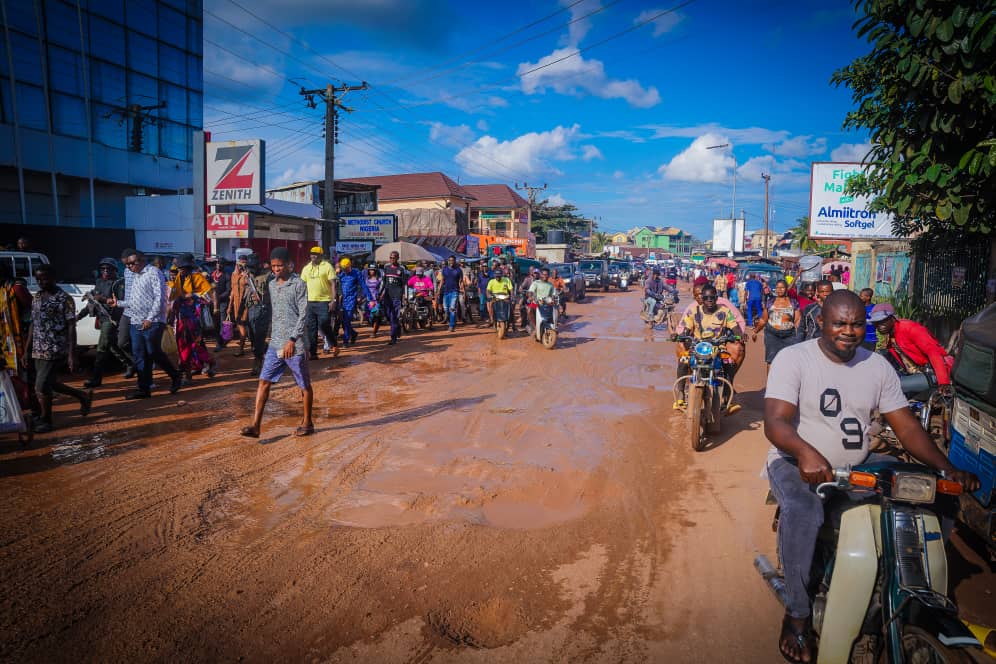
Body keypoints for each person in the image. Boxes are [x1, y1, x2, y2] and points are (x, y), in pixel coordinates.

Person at [762, 290, 979, 663]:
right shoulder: (793, 358)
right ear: (821, 323)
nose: (849, 331)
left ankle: (916, 586)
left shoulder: (877, 366)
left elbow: (908, 428)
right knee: (804, 511)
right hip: (795, 461)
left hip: (859, 464)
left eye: (857, 324)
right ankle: (797, 615)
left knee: (934, 494)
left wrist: (945, 466)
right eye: (840, 323)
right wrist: (804, 452)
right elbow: (776, 422)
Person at [240, 247, 313, 438]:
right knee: (264, 381)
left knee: (303, 384)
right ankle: (255, 425)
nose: (276, 269)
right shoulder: (272, 284)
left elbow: (303, 315)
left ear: (289, 264)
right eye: (273, 266)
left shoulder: (299, 284)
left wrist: (292, 340)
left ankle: (307, 422)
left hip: (294, 344)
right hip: (276, 342)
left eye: (280, 265)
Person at [26, 265, 92, 433]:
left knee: (41, 386)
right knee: (49, 383)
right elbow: (34, 324)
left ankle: (46, 420)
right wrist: (27, 349)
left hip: (55, 348)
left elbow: (71, 326)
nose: (41, 282)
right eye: (38, 279)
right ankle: (82, 396)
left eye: (45, 278)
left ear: (54, 277)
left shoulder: (64, 298)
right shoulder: (37, 297)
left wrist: (72, 354)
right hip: (38, 347)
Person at [116, 249, 182, 400]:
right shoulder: (134, 276)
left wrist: (150, 318)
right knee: (139, 355)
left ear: (142, 260)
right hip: (135, 321)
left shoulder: (153, 273)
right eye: (127, 265)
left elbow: (160, 298)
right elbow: (133, 301)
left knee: (153, 352)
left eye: (133, 263)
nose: (130, 267)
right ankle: (143, 389)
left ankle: (175, 375)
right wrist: (118, 303)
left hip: (153, 321)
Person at [674, 284, 744, 412]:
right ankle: (680, 395)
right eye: (706, 298)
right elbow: (686, 329)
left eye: (712, 297)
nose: (709, 300)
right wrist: (680, 336)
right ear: (702, 298)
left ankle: (727, 398)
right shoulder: (694, 311)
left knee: (728, 364)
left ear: (716, 298)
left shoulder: (724, 311)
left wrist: (740, 335)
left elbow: (735, 328)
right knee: (683, 361)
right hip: (697, 346)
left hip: (718, 346)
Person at [870, 303, 954, 395]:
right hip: (916, 371)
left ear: (892, 318)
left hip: (934, 372)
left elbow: (933, 352)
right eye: (876, 323)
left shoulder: (910, 328)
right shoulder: (891, 337)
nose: (879, 326)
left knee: (895, 386)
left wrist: (943, 382)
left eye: (882, 321)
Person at [80, 258, 134, 387]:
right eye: (103, 269)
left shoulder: (119, 283)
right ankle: (132, 364)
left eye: (108, 269)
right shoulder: (99, 282)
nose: (105, 271)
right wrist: (78, 316)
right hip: (102, 318)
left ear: (115, 270)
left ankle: (96, 379)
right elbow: (93, 302)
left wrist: (103, 299)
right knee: (113, 346)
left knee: (101, 348)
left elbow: (119, 303)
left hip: (113, 319)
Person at [168, 256, 218, 381]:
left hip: (194, 318)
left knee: (193, 345)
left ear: (188, 267)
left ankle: (190, 372)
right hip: (180, 317)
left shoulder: (198, 277)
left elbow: (209, 295)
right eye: (179, 268)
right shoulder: (179, 278)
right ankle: (199, 366)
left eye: (182, 268)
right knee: (183, 344)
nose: (180, 270)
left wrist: (190, 296)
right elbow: (174, 297)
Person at [752, 279, 801, 370]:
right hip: (772, 334)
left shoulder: (793, 302)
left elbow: (797, 320)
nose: (779, 290)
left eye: (782, 288)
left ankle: (786, 382)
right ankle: (771, 383)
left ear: (786, 289)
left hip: (789, 336)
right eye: (777, 288)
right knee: (771, 360)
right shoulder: (770, 302)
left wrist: (799, 335)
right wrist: (755, 331)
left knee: (789, 361)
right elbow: (763, 319)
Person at [300, 247, 338, 359]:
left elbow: (333, 284)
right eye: (312, 254)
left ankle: (333, 344)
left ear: (321, 256)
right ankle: (313, 353)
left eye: (316, 254)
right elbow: (302, 286)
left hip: (324, 301)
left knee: (324, 324)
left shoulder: (327, 266)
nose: (313, 256)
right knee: (311, 328)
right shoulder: (306, 268)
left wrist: (333, 300)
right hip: (310, 302)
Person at [0, 261, 32, 375]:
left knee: (24, 373)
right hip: (3, 339)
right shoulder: (2, 289)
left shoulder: (16, 288)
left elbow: (33, 312)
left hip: (20, 337)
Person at [335, 258, 372, 346]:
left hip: (351, 300)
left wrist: (369, 298)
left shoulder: (356, 273)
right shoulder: (341, 273)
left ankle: (345, 341)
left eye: (346, 269)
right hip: (341, 300)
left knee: (347, 320)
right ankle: (353, 334)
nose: (345, 271)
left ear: (350, 266)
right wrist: (336, 274)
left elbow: (363, 285)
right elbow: (335, 283)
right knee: (343, 322)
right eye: (343, 269)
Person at [246, 256, 272, 376]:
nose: (251, 270)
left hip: (263, 309)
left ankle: (258, 362)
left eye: (253, 267)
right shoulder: (248, 276)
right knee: (251, 336)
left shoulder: (268, 276)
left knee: (259, 336)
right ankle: (264, 350)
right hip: (251, 309)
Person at [116, 248, 138, 379]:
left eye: (129, 264)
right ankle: (135, 363)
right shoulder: (126, 272)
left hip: (140, 312)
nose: (128, 267)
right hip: (127, 310)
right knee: (121, 342)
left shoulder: (145, 273)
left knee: (144, 344)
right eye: (125, 264)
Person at [227, 254, 253, 357]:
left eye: (243, 262)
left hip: (246, 304)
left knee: (244, 325)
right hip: (236, 304)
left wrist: (246, 275)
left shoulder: (248, 274)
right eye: (240, 262)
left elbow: (252, 288)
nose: (241, 264)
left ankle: (242, 348)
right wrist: (229, 306)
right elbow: (232, 291)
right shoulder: (233, 275)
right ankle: (245, 346)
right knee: (240, 324)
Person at [380, 251, 406, 345]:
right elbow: (384, 282)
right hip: (387, 296)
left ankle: (393, 338)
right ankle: (398, 327)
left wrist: (403, 296)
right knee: (388, 315)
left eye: (394, 257)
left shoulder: (401, 269)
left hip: (396, 296)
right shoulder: (386, 268)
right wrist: (380, 293)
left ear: (397, 258)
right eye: (390, 257)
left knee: (393, 317)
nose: (392, 259)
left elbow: (403, 285)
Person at [437, 256, 464, 332]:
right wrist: (439, 290)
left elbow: (461, 281)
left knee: (452, 308)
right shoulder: (444, 270)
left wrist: (462, 289)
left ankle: (451, 326)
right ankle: (453, 321)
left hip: (455, 291)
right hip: (446, 291)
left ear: (455, 261)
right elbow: (442, 280)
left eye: (453, 260)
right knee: (446, 309)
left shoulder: (458, 270)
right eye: (450, 260)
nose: (451, 262)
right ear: (448, 261)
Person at [211, 259, 232, 349]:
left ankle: (220, 343)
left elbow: (228, 291)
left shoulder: (226, 276)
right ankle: (219, 340)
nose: (219, 265)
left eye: (221, 264)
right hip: (212, 303)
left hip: (222, 303)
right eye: (217, 263)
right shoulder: (212, 275)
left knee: (222, 322)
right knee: (215, 322)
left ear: (224, 266)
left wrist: (217, 298)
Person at [526, 267, 556, 331]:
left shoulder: (551, 285)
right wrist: (530, 297)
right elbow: (531, 291)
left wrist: (553, 299)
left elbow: (554, 294)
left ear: (549, 275)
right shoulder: (536, 283)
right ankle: (535, 327)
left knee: (556, 311)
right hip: (537, 302)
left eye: (546, 274)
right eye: (543, 274)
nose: (545, 276)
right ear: (541, 275)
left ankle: (554, 326)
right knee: (529, 311)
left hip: (547, 303)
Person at [364, 265, 382, 336]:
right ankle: (375, 327)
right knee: (369, 317)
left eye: (373, 270)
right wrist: (361, 299)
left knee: (376, 315)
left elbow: (383, 289)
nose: (372, 271)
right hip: (368, 301)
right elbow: (365, 290)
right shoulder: (366, 280)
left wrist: (381, 296)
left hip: (376, 300)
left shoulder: (379, 280)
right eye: (370, 270)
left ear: (376, 271)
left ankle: (374, 332)